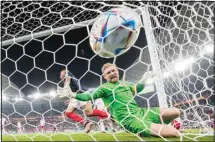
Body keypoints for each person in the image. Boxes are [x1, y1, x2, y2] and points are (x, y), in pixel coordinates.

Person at [58, 63, 181, 137]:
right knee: (174, 133)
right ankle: (147, 130)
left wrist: (143, 80)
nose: (112, 73)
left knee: (176, 112)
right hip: (129, 120)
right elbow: (88, 96)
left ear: (117, 71)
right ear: (105, 76)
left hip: (141, 112)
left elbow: (136, 89)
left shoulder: (124, 83)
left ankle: (157, 127)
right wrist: (73, 95)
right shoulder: (104, 88)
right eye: (108, 72)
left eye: (113, 70)